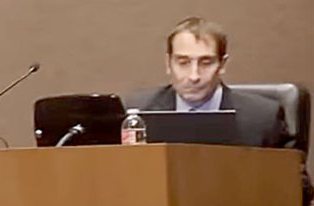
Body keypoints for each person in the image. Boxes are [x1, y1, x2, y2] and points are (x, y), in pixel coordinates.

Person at [124, 17, 291, 149]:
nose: (194, 76)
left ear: (222, 64)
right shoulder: (138, 113)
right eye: (183, 62)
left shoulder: (262, 118)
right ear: (168, 63)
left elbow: (296, 186)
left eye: (205, 62)